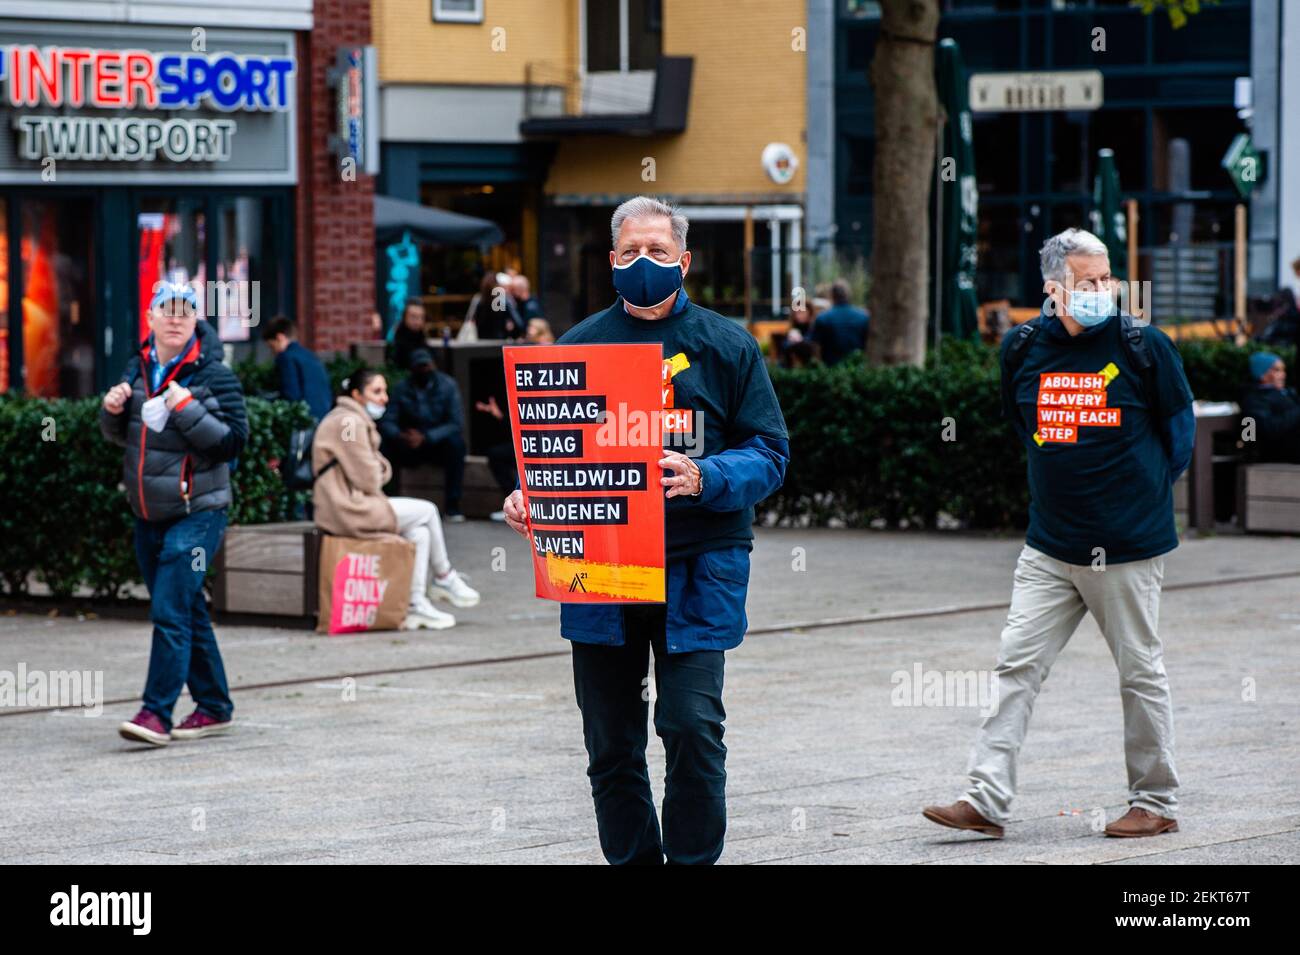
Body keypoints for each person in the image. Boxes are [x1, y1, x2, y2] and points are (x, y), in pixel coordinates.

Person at [501, 196, 790, 865]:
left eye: (658, 251)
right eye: (630, 251)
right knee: (610, 740)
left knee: (691, 725)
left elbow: (771, 453)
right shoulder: (574, 350)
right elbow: (548, 457)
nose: (643, 262)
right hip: (601, 571)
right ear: (610, 261)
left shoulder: (726, 346)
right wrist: (529, 499)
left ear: (684, 260)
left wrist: (706, 475)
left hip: (699, 565)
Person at [923, 227, 1195, 840]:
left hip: (1127, 546)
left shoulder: (1144, 346)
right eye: (1087, 281)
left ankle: (1155, 802)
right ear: (1053, 289)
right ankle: (985, 800)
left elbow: (1179, 441)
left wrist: (1132, 495)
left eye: (1107, 279)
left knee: (1139, 671)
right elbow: (1026, 428)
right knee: (1015, 665)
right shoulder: (1022, 348)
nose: (1102, 290)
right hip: (1049, 545)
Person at [101, 283, 249, 747]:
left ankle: (155, 714)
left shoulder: (215, 375)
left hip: (199, 512)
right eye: (167, 310)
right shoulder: (137, 368)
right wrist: (111, 412)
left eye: (185, 311)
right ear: (150, 318)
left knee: (168, 609)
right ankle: (214, 706)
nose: (176, 318)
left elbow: (233, 443)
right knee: (186, 609)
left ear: (194, 321)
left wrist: (185, 409)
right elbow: (121, 436)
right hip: (149, 512)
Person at [312, 368, 480, 629]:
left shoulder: (348, 418)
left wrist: (378, 466)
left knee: (420, 534)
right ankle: (444, 576)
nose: (384, 398)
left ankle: (415, 604)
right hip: (349, 508)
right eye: (376, 391)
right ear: (356, 394)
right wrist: (382, 467)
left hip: (350, 504)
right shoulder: (348, 422)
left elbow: (371, 470)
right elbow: (370, 478)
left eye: (385, 391)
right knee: (428, 510)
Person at [379, 349, 468, 522]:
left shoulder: (447, 385)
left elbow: (456, 423)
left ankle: (452, 505)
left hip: (436, 443)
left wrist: (427, 437)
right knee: (386, 444)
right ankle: (389, 501)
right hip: (408, 442)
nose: (423, 370)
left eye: (426, 365)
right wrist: (401, 435)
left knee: (457, 445)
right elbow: (387, 420)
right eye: (418, 366)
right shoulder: (402, 387)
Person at [261, 314, 333, 421]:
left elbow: (291, 394)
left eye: (272, 346)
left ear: (280, 337)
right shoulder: (309, 355)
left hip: (304, 420)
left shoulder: (286, 357)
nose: (273, 352)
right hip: (324, 415)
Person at [1241, 351, 1300, 463]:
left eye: (1283, 370)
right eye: (1277, 370)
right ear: (1262, 373)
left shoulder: (1287, 392)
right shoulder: (1255, 399)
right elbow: (1269, 428)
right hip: (1281, 455)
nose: (1283, 375)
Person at [810, 279, 869, 366]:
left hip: (830, 370)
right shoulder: (864, 317)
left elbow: (815, 347)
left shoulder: (822, 318)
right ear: (849, 295)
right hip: (857, 370)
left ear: (832, 295)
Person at [463, 272, 523, 341]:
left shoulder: (479, 299)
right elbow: (518, 323)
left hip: (482, 342)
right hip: (500, 342)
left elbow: (469, 319)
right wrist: (512, 334)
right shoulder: (503, 300)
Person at [389, 299, 431, 372]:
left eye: (421, 317)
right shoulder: (396, 341)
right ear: (404, 318)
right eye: (413, 317)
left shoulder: (423, 339)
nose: (417, 321)